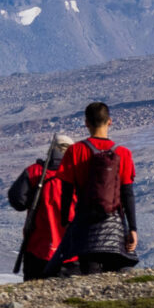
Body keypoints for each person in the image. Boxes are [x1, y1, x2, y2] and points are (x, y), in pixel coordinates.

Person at [55, 102, 140, 274]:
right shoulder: (123, 153)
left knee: (90, 280)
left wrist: (65, 221)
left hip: (86, 227)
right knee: (114, 281)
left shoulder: (75, 151)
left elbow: (66, 192)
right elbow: (127, 194)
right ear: (110, 121)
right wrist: (132, 228)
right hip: (114, 227)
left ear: (86, 123)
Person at [8, 132, 75, 280]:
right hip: (72, 252)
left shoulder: (34, 171)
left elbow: (17, 201)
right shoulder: (79, 174)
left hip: (38, 250)